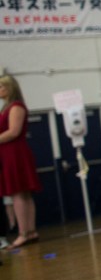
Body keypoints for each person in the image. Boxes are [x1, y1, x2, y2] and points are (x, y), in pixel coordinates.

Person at [0, 74, 42, 249]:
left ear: (10, 88)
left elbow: (13, 132)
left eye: (1, 87)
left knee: (19, 193)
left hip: (14, 153)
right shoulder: (7, 107)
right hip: (10, 152)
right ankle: (29, 231)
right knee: (22, 194)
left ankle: (24, 233)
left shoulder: (16, 107)